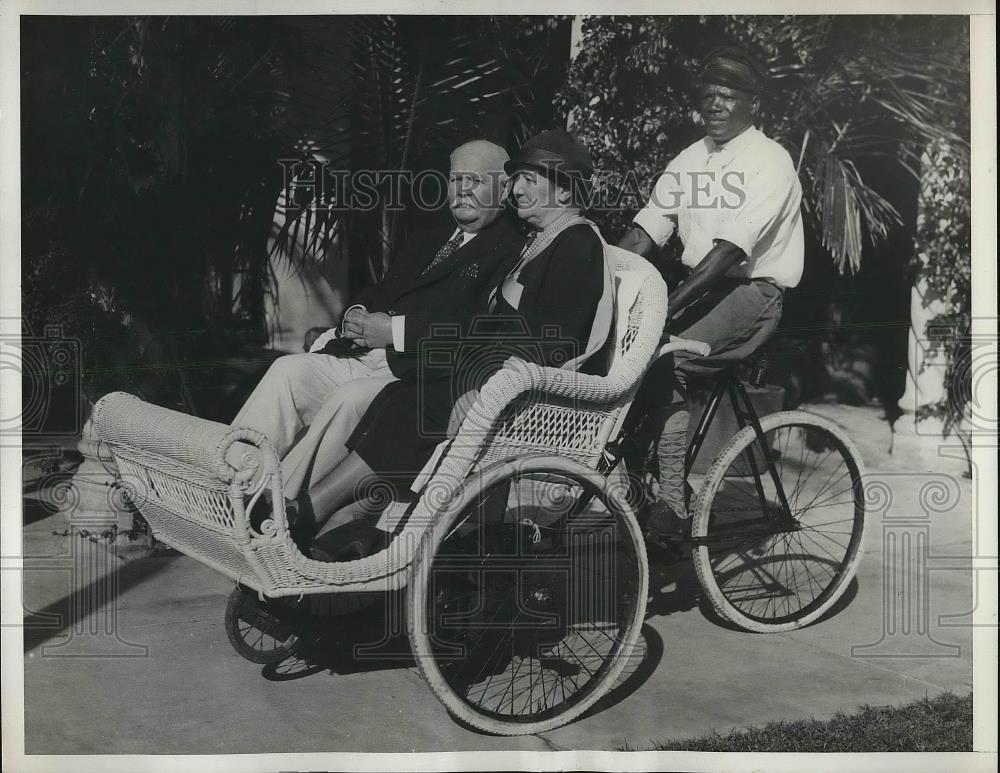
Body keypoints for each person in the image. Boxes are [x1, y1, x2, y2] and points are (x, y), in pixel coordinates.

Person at [301, 129, 616, 561]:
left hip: (535, 394)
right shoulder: (545, 242)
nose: (515, 189)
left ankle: (315, 512)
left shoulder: (576, 244)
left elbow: (554, 343)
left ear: (563, 191)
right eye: (515, 178)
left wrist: (485, 382)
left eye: (528, 180)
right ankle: (347, 531)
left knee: (418, 403)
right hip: (497, 377)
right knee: (402, 395)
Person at [230, 140, 524, 515]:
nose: (462, 189)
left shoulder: (510, 253)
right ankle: (231, 483)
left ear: (503, 191)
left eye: (476, 181)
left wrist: (395, 332)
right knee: (287, 371)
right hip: (366, 354)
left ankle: (276, 513)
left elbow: (475, 331)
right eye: (456, 179)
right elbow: (383, 290)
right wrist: (357, 311)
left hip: (414, 376)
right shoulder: (427, 240)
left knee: (347, 399)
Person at [617, 46, 804, 541]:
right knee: (622, 358)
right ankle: (637, 488)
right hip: (700, 288)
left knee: (664, 360)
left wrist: (664, 310)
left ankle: (673, 507)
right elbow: (643, 235)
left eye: (728, 95)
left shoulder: (771, 162)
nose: (716, 104)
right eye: (708, 95)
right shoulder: (690, 158)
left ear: (753, 103)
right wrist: (598, 284)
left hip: (752, 291)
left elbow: (727, 253)